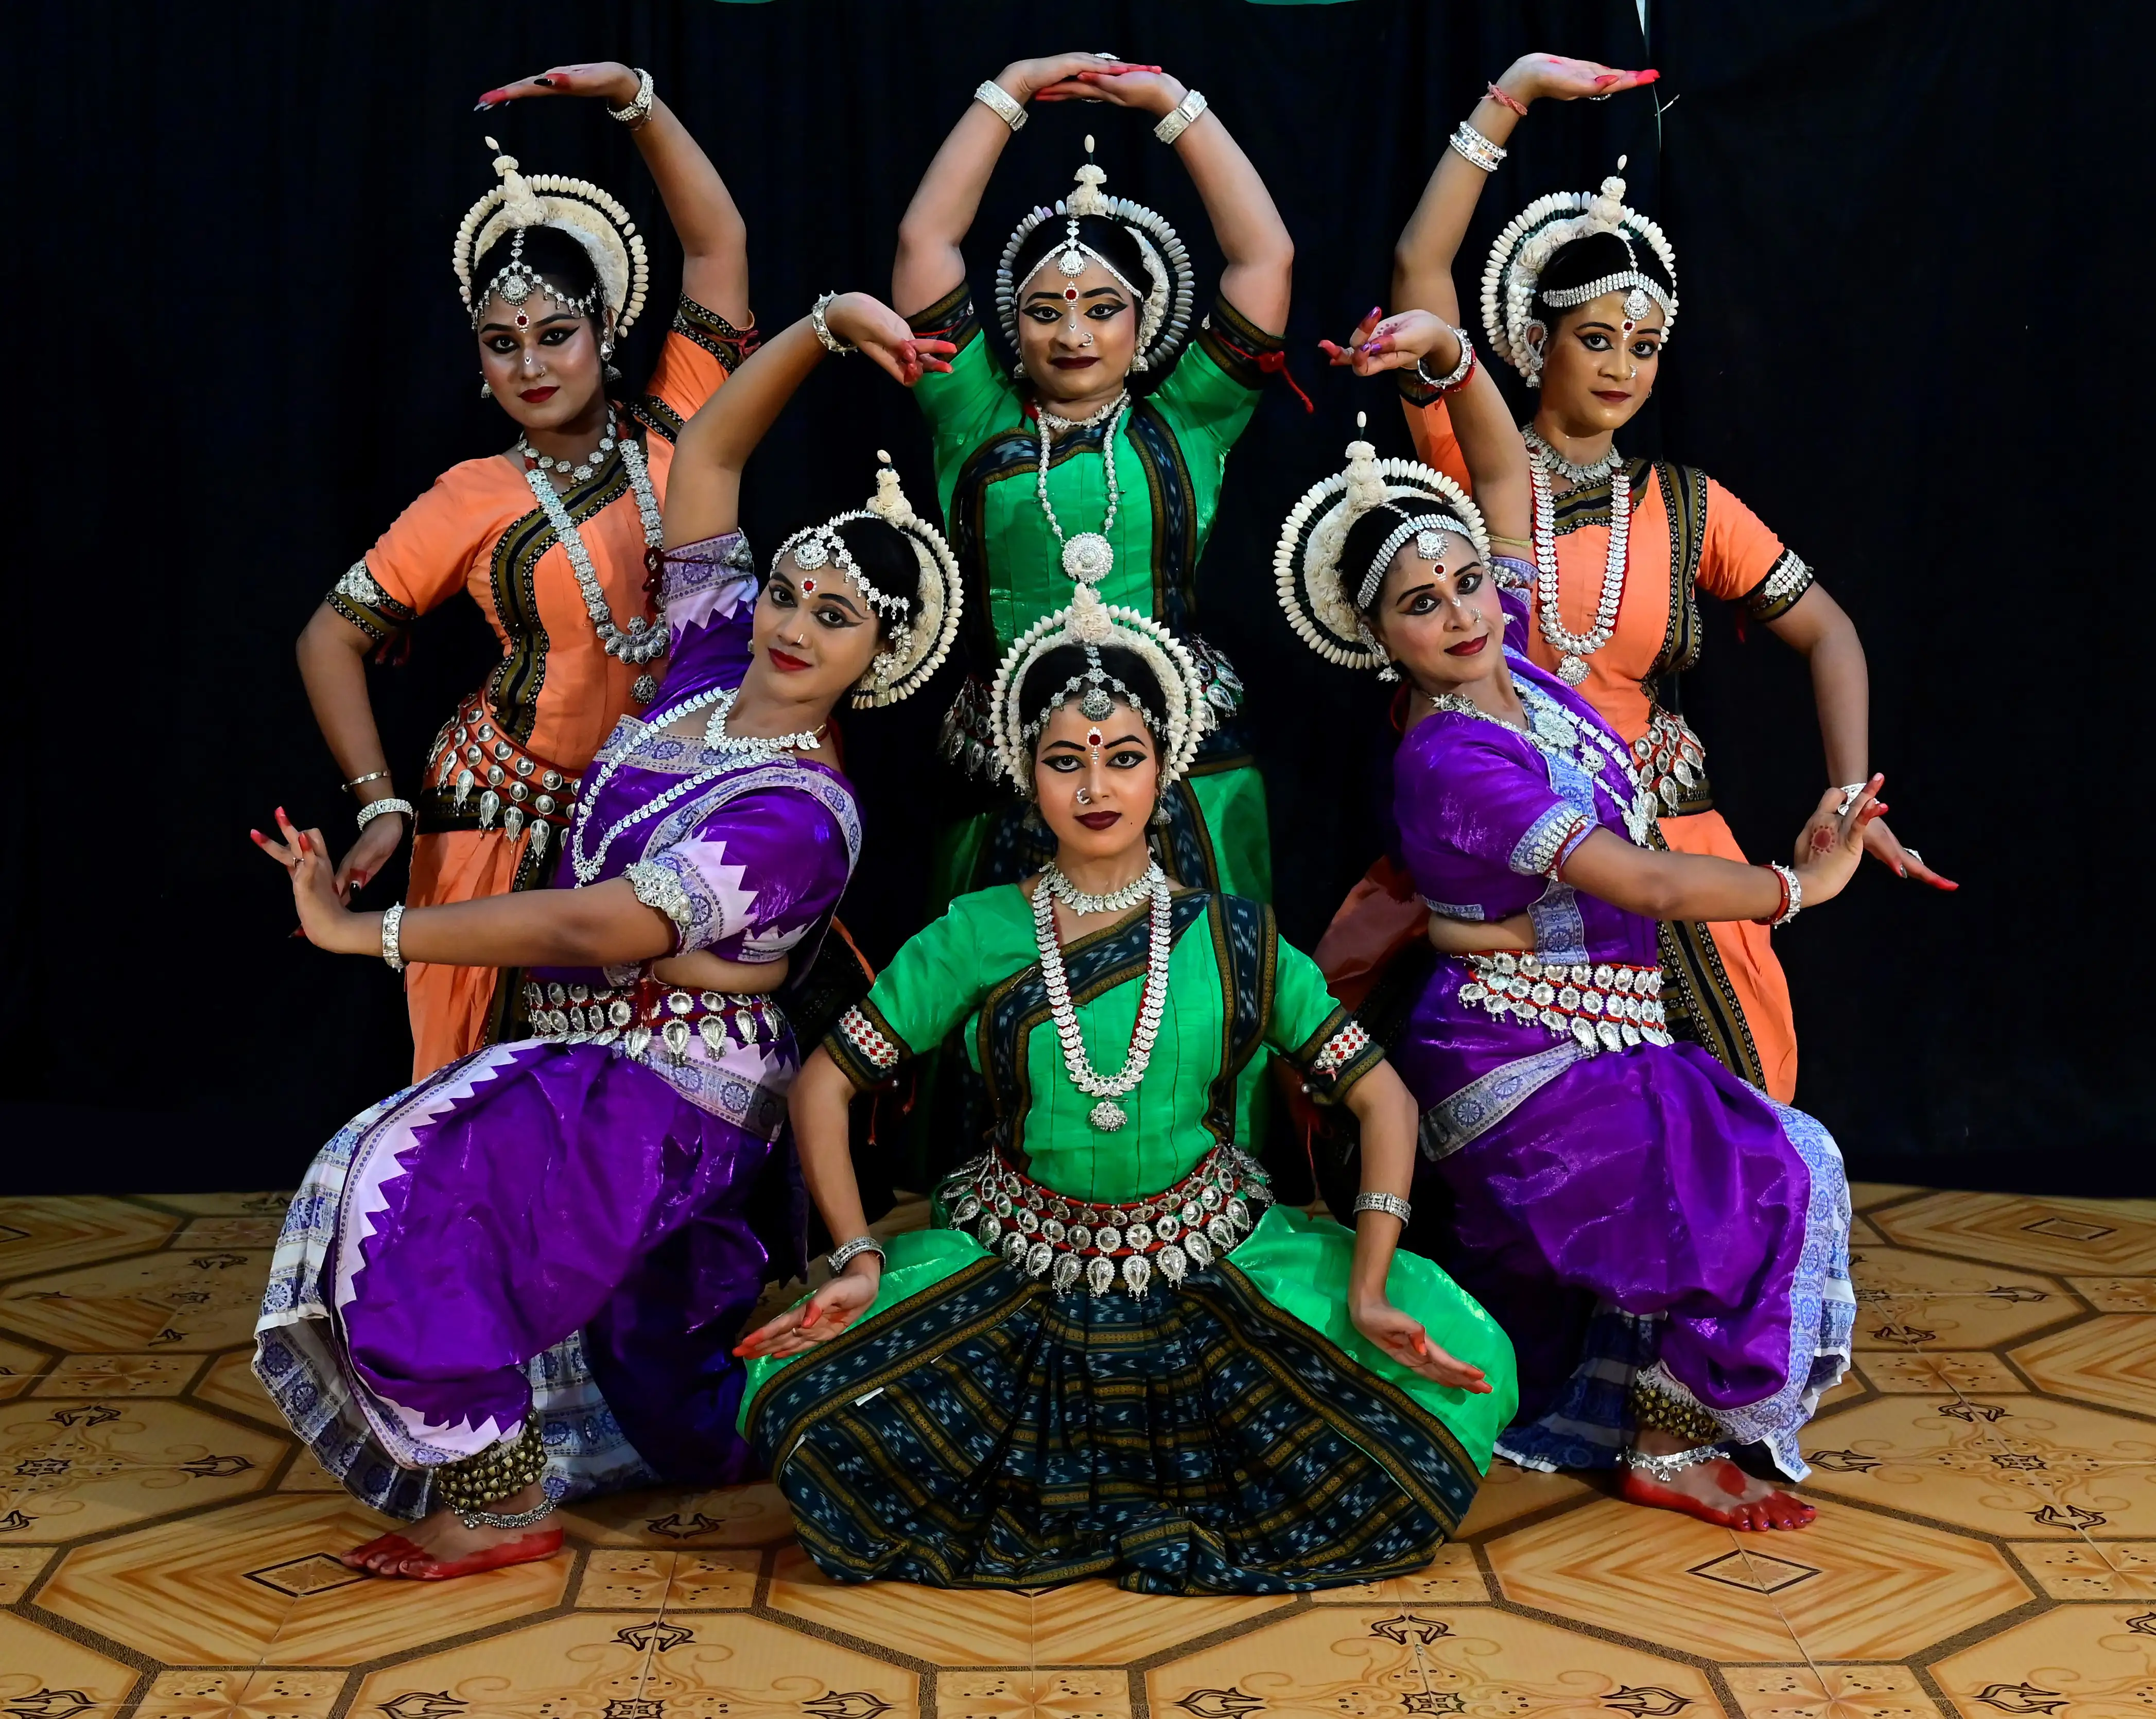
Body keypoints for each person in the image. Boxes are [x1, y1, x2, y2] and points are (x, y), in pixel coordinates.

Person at [249, 294, 961, 1581]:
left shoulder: (804, 812)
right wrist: (819, 329)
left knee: (407, 1193)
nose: (794, 624)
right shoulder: (701, 667)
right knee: (513, 1268)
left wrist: (372, 934)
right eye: (789, 592)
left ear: (886, 654)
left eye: (836, 616)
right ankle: (529, 1466)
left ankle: (508, 1500)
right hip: (594, 1049)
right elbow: (713, 459)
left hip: (677, 1091)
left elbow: (600, 920)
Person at [732, 585, 1518, 1594]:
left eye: (1123, 757)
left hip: (1218, 1259)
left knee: (1447, 1382)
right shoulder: (979, 930)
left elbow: (1386, 1101)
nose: (1095, 786)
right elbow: (825, 1085)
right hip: (1014, 1262)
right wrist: (855, 1256)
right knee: (805, 1407)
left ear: (1165, 767)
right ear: (1029, 773)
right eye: (1066, 760)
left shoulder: (1236, 937)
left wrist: (1368, 1280)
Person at [1275, 411, 1869, 1531]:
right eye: (1421, 603)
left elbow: (1500, 467)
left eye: (1466, 580)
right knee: (1758, 1176)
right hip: (1515, 1054)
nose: (1461, 611)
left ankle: (1652, 1416)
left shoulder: (1516, 655)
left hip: (1595, 1029)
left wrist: (1451, 368)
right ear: (1380, 637)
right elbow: (1642, 885)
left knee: (1751, 1167)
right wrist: (1800, 888)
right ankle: (1661, 1442)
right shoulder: (1453, 750)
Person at [1380, 51, 1952, 1101]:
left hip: (1669, 831)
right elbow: (1422, 272)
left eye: (1644, 345)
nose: (1622, 366)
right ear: (1532, 338)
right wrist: (1510, 96)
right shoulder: (1476, 468)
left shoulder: (1688, 506)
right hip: (1510, 831)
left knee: (1750, 1089)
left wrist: (1849, 793)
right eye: (1595, 337)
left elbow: (1831, 631)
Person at [300, 61, 760, 1080]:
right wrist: (380, 800)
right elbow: (328, 635)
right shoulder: (470, 496)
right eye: (502, 345)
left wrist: (633, 98)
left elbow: (718, 243)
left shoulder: (688, 421)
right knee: (482, 1099)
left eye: (557, 335)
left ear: (606, 328)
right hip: (504, 823)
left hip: (665, 810)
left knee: (644, 1102)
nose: (533, 365)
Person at [893, 52, 1297, 908]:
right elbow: (925, 243)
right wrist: (1009, 91)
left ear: (1144, 320)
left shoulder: (1189, 418)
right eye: (1046, 311)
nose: (1072, 332)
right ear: (1014, 322)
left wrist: (1173, 104)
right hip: (1009, 765)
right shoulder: (971, 416)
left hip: (1187, 766)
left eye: (1101, 308)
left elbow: (1265, 257)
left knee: (1201, 1004)